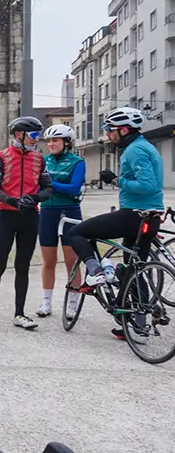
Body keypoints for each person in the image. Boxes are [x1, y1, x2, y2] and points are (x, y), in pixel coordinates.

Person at [67, 107, 163, 341]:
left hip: (133, 215)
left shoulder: (134, 151)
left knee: (76, 232)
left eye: (110, 130)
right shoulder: (147, 147)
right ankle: (138, 327)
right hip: (150, 216)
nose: (108, 135)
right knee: (135, 267)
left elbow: (147, 185)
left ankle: (95, 272)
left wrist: (117, 180)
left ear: (124, 129)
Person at [0, 116, 52, 330]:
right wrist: (13, 200)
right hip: (5, 215)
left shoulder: (39, 158)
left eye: (38, 135)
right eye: (33, 135)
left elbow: (48, 189)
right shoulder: (1, 157)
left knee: (22, 266)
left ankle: (20, 314)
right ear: (18, 134)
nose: (37, 139)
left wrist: (33, 198)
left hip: (30, 217)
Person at [35, 124, 85, 319]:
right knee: (48, 260)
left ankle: (72, 304)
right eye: (48, 141)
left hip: (70, 211)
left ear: (67, 142)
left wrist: (49, 184)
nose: (51, 144)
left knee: (72, 261)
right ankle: (46, 303)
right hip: (47, 212)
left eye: (55, 140)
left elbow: (74, 188)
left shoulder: (77, 162)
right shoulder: (42, 161)